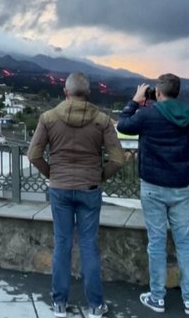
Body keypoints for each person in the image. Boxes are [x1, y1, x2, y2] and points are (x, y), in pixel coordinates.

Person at [27, 72, 126, 318]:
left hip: (59, 189)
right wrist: (99, 176)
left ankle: (59, 304)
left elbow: (33, 155)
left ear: (65, 91)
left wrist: (53, 174)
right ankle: (95, 306)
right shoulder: (102, 120)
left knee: (62, 244)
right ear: (89, 93)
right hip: (89, 189)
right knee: (89, 246)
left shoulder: (48, 118)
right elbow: (118, 159)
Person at [116, 74, 189, 315]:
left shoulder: (148, 114)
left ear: (158, 93)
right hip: (181, 184)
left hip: (153, 185)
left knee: (157, 242)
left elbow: (123, 125)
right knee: (184, 242)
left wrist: (135, 101)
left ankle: (157, 297)